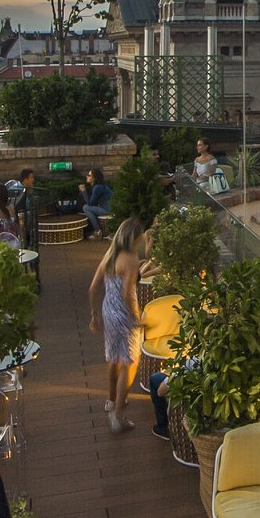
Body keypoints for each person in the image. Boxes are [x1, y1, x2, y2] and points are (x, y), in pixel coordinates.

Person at [88, 218, 147, 434]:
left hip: (108, 312)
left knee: (113, 358)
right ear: (134, 237)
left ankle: (111, 400)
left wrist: (94, 314)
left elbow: (93, 288)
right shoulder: (131, 260)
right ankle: (119, 415)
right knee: (129, 363)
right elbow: (127, 296)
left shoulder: (110, 256)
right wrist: (138, 319)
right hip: (124, 315)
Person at [80, 167, 112, 238]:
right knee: (87, 207)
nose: (87, 176)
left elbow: (90, 204)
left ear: (94, 178)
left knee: (86, 207)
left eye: (89, 175)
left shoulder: (97, 187)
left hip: (108, 210)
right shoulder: (98, 186)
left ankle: (97, 231)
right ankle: (97, 230)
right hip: (106, 208)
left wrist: (84, 191)